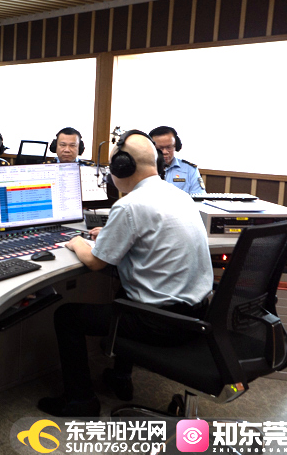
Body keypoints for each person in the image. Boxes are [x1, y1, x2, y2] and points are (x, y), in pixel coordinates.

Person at [38, 130, 213, 417]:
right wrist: (112, 234)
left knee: (66, 316)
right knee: (125, 290)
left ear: (122, 167)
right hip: (196, 315)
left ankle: (80, 400)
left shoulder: (130, 205)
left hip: (160, 322)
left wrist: (77, 242)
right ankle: (120, 376)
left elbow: (95, 262)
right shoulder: (180, 196)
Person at [149, 126, 206, 194]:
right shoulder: (143, 169)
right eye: (160, 148)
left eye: (169, 147)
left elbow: (199, 197)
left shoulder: (190, 170)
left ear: (176, 146)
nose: (165, 152)